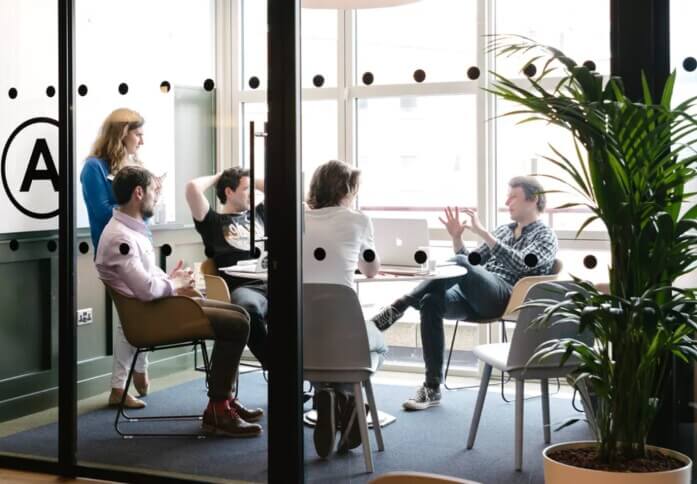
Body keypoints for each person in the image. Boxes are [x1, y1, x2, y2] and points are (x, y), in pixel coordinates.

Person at [95, 165, 263, 437]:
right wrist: (176, 284)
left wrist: (171, 279)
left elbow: (146, 279)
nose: (156, 197)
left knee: (239, 315)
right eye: (154, 191)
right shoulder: (120, 238)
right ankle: (218, 409)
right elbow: (148, 290)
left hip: (160, 307)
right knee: (237, 325)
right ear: (139, 193)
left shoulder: (130, 231)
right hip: (150, 317)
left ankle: (224, 401)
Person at [370, 176, 558, 411]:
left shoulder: (545, 235)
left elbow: (525, 265)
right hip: (476, 296)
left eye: (513, 197)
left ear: (533, 200)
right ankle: (431, 388)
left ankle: (400, 305)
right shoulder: (503, 230)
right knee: (430, 301)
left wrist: (484, 234)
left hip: (506, 298)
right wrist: (457, 238)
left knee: (458, 264)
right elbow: (472, 262)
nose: (507, 202)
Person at [303, 160, 386, 459]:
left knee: (324, 341)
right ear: (347, 190)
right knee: (378, 343)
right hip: (344, 328)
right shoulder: (359, 221)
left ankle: (326, 393)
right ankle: (349, 402)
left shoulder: (297, 217)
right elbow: (372, 269)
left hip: (303, 334)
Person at [80, 108, 158, 409]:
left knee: (145, 309)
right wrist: (134, 197)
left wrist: (150, 195)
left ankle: (135, 371)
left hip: (143, 242)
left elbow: (142, 211)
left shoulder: (134, 163)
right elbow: (101, 211)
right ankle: (121, 384)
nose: (142, 140)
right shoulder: (93, 168)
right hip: (115, 249)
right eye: (137, 133)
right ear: (122, 132)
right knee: (132, 315)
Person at [185, 169, 268, 369]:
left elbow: (279, 186)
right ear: (229, 192)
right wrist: (220, 175)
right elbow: (192, 188)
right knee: (247, 310)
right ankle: (281, 372)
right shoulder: (213, 222)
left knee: (309, 302)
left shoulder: (258, 214)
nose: (252, 193)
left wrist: (248, 176)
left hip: (271, 282)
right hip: (244, 289)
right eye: (246, 189)